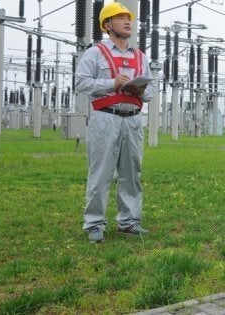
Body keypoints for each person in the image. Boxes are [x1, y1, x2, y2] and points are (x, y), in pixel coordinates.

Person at [76, 2, 156, 243]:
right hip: (105, 119)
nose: (128, 21)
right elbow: (81, 83)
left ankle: (129, 221)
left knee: (132, 172)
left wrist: (141, 91)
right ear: (108, 25)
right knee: (100, 172)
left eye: (128, 18)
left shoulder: (140, 56)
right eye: (121, 18)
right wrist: (112, 83)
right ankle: (94, 224)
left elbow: (151, 89)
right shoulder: (95, 53)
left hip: (132, 120)